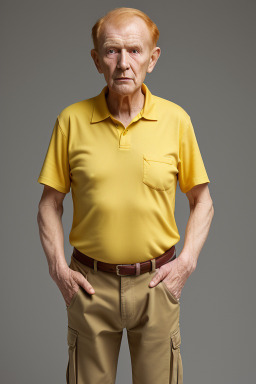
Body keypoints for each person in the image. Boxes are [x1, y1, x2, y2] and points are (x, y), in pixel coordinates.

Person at [37, 7, 214, 384]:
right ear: (96, 60)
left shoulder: (176, 120)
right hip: (89, 285)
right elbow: (49, 205)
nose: (123, 63)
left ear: (153, 58)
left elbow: (203, 201)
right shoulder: (70, 121)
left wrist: (185, 265)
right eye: (112, 51)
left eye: (134, 51)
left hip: (156, 285)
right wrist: (58, 270)